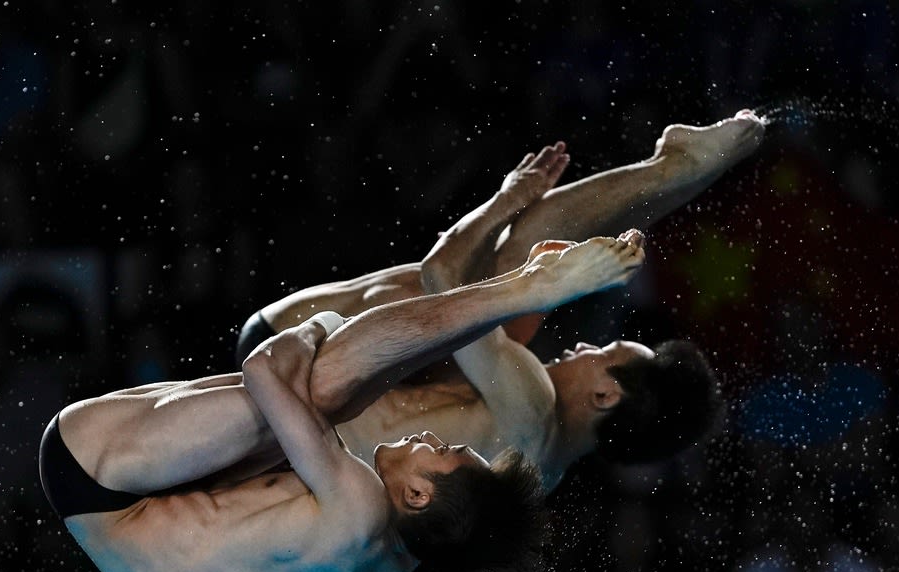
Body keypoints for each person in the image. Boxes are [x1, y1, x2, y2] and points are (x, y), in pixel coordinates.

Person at [39, 228, 646, 572]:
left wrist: (318, 325)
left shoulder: (359, 506)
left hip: (97, 472)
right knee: (332, 395)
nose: (434, 438)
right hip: (128, 525)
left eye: (446, 450)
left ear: (417, 493)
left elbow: (263, 368)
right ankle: (518, 294)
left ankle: (516, 290)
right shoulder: (393, 561)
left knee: (324, 385)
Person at [237, 110, 765, 489]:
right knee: (517, 294)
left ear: (606, 396)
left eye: (602, 353)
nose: (583, 345)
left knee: (507, 278)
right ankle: (681, 170)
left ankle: (674, 168)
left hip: (282, 368)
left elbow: (439, 277)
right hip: (295, 424)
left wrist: (504, 200)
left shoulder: (531, 408)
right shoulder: (541, 467)